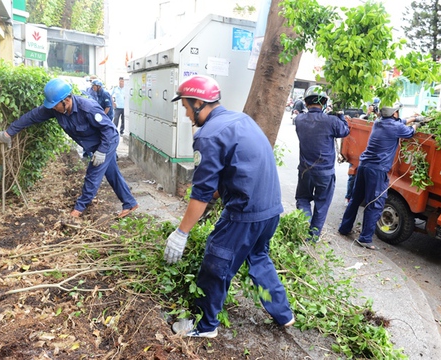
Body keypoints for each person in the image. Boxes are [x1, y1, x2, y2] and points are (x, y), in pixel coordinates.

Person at [164, 75, 294, 338]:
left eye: (187, 107)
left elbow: (200, 193)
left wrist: (181, 233)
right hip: (270, 210)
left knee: (216, 264)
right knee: (257, 258)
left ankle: (204, 325)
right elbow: (230, 171)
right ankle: (283, 313)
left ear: (199, 103)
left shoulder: (209, 134)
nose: (187, 114)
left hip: (244, 213)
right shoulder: (240, 119)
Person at [0, 78, 139, 219]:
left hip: (106, 142)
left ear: (67, 100)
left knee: (93, 174)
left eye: (54, 105)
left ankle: (78, 209)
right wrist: (9, 133)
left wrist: (102, 151)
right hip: (93, 144)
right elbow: (32, 116)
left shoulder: (87, 108)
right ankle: (130, 203)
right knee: (112, 173)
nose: (52, 108)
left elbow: (109, 131)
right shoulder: (57, 108)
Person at [338, 102, 423, 250]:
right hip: (377, 170)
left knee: (356, 198)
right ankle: (364, 238)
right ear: (395, 114)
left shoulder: (379, 123)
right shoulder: (396, 127)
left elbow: (402, 122)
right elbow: (409, 132)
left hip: (364, 165)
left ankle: (344, 228)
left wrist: (414, 119)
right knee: (376, 202)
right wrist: (418, 124)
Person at [294, 86, 350, 242]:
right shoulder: (331, 121)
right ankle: (313, 237)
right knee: (322, 204)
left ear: (305, 103)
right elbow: (345, 131)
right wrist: (340, 116)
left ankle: (303, 226)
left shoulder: (299, 120)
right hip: (325, 173)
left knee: (303, 199)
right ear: (324, 102)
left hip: (305, 170)